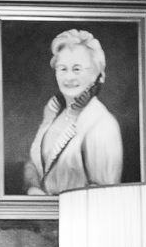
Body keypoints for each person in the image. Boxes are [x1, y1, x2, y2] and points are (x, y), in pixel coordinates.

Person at [23, 28, 123, 196]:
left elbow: (103, 195)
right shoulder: (53, 111)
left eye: (77, 69)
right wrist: (33, 189)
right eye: (62, 69)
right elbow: (36, 163)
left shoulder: (101, 124)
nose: (68, 77)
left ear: (97, 74)